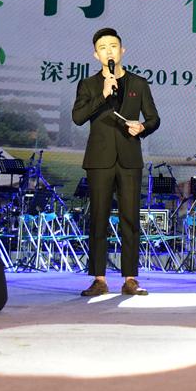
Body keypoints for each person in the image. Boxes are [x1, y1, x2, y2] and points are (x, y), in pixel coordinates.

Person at [72, 28, 159, 297]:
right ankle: (99, 279)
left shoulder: (138, 84)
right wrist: (103, 94)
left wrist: (142, 127)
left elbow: (154, 118)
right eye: (103, 47)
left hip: (129, 159)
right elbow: (78, 117)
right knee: (98, 219)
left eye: (113, 46)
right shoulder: (88, 85)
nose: (108, 51)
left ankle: (130, 278)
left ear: (122, 50)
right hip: (99, 160)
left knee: (130, 220)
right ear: (95, 55)